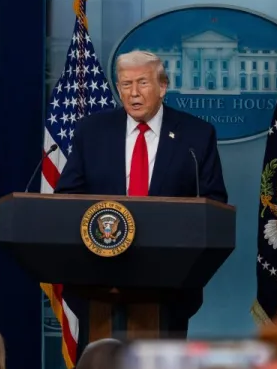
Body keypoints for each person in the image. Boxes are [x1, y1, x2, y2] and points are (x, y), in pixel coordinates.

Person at [55, 50, 228, 337]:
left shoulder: (196, 135)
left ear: (163, 87)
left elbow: (214, 203)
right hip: (98, 280)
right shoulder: (92, 131)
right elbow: (67, 196)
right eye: (126, 84)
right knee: (100, 363)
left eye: (142, 83)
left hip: (169, 284)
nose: (133, 93)